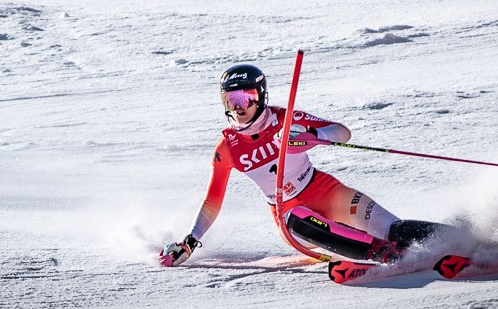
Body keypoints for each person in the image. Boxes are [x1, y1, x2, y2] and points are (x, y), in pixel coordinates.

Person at [159, 64, 460, 269]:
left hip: (326, 191)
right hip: (291, 216)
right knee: (296, 217)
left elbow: (342, 132)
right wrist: (190, 241)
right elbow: (212, 202)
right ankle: (389, 256)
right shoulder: (227, 149)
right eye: (231, 100)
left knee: (391, 228)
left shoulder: (285, 118)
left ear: (261, 97)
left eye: (246, 97)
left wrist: (310, 136)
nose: (239, 107)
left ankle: (463, 242)